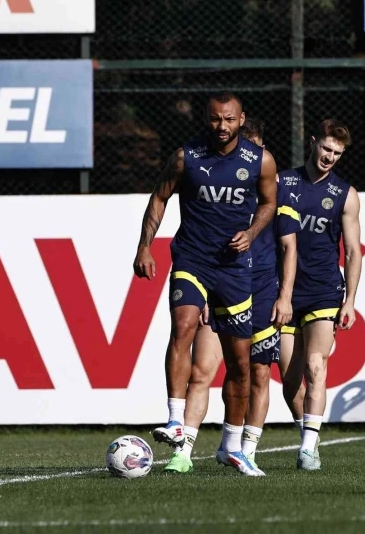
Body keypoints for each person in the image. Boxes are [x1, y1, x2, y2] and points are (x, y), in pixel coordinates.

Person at [133, 92, 277, 477]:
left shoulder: (260, 160)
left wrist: (252, 232)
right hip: (192, 259)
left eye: (229, 119)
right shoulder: (186, 157)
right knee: (182, 326)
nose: (222, 126)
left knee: (240, 364)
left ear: (241, 119)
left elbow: (269, 203)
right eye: (215, 119)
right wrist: (145, 246)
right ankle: (175, 419)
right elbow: (160, 197)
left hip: (234, 269)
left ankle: (231, 446)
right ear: (206, 118)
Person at [161, 118, 302, 474]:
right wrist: (205, 292)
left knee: (256, 373)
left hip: (262, 291)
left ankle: (241, 449)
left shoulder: (276, 195)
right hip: (222, 284)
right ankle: (182, 450)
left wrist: (284, 296)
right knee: (202, 370)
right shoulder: (218, 184)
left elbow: (289, 247)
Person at [278, 119, 362, 471]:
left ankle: (308, 449)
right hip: (284, 292)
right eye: (326, 148)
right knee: (289, 383)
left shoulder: (345, 194)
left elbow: (353, 252)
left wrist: (350, 301)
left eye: (337, 153)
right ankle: (308, 434)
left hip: (324, 290)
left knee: (316, 365)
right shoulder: (282, 182)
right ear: (313, 142)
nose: (330, 157)